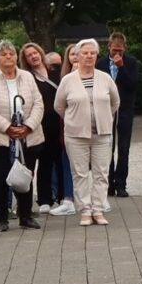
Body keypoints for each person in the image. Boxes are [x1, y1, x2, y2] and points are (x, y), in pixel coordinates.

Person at [0, 42, 45, 232]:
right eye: (4, 54)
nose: (8, 57)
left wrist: (28, 126)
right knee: (1, 176)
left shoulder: (27, 76)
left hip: (28, 136)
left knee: (26, 175)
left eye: (11, 53)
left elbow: (38, 103)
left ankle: (25, 215)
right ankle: (1, 218)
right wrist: (7, 127)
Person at [57, 40, 121, 227]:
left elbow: (115, 102)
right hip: (76, 135)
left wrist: (104, 118)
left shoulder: (105, 78)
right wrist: (75, 119)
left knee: (101, 173)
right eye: (85, 53)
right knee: (80, 174)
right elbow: (59, 106)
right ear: (77, 55)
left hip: (102, 134)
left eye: (93, 53)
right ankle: (85, 210)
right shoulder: (68, 80)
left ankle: (98, 209)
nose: (89, 56)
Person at [21, 43, 76, 217]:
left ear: (41, 53)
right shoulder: (28, 77)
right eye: (29, 55)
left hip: (59, 122)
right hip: (40, 124)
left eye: (35, 52)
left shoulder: (56, 73)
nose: (33, 56)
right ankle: (44, 199)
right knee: (44, 162)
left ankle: (63, 196)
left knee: (61, 160)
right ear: (25, 60)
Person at [99, 32, 137, 195]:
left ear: (125, 48)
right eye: (114, 50)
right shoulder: (100, 63)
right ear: (108, 47)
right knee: (107, 145)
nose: (117, 53)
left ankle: (121, 183)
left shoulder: (131, 62)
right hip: (105, 109)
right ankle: (108, 183)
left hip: (125, 109)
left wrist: (121, 67)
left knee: (124, 147)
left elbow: (132, 85)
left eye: (120, 50)